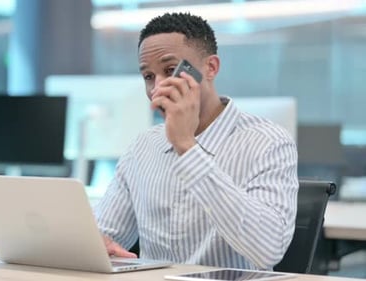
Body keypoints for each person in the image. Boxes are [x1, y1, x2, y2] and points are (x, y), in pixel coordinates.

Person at [94, 12, 298, 270]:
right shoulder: (142, 147)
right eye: (148, 76)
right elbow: (105, 233)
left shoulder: (268, 143)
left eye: (170, 70)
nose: (157, 88)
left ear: (210, 68)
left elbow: (268, 250)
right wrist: (97, 243)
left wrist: (187, 147)